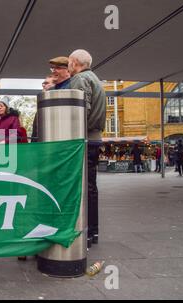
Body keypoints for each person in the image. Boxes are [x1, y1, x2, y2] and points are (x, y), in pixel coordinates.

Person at [68, 49, 106, 247]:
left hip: (84, 139)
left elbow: (82, 110)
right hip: (95, 139)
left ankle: (85, 232)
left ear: (75, 62)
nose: (68, 66)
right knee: (91, 187)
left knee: (82, 187)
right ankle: (93, 232)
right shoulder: (96, 79)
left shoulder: (80, 79)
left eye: (69, 62)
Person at [31, 75, 56, 142]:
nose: (43, 85)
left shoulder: (57, 107)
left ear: (55, 85)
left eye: (47, 83)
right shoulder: (41, 108)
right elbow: (35, 132)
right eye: (43, 83)